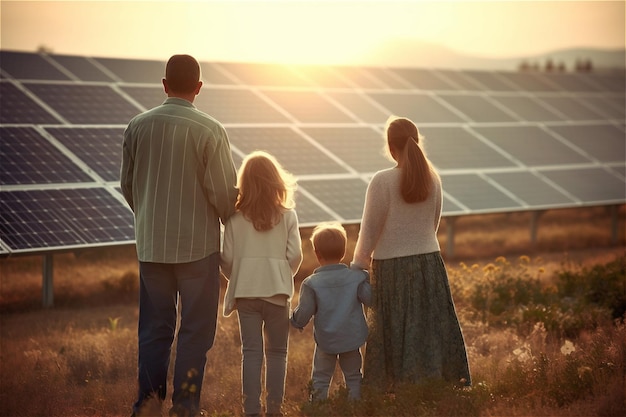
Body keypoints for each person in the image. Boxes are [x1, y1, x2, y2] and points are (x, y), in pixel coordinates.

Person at [121, 54, 239, 417]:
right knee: (195, 332)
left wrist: (151, 219)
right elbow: (222, 193)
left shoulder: (137, 126)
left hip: (152, 247)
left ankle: (148, 405)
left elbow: (128, 187)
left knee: (155, 330)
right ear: (199, 88)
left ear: (164, 84)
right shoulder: (210, 130)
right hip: (197, 250)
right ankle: (185, 406)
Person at [351, 116, 471, 391]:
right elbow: (434, 224)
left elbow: (368, 232)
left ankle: (396, 389)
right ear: (416, 141)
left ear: (391, 148)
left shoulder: (382, 181)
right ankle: (434, 386)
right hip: (430, 264)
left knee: (393, 330)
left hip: (391, 269)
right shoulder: (434, 179)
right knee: (430, 327)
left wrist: (356, 268)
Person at [220, 151, 303, 417]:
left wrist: (242, 276)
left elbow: (227, 260)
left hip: (246, 293)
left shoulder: (233, 219)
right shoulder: (288, 216)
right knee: (278, 353)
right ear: (274, 180)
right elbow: (296, 256)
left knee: (251, 352)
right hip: (277, 294)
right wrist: (280, 274)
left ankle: (251, 411)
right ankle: (275, 411)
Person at [291, 222, 371, 401]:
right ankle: (355, 409)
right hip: (352, 339)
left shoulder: (311, 283)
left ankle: (318, 410)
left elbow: (305, 312)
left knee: (320, 379)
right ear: (343, 252)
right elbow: (371, 299)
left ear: (317, 253)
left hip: (326, 342)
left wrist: (295, 320)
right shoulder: (355, 277)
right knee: (353, 377)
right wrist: (366, 275)